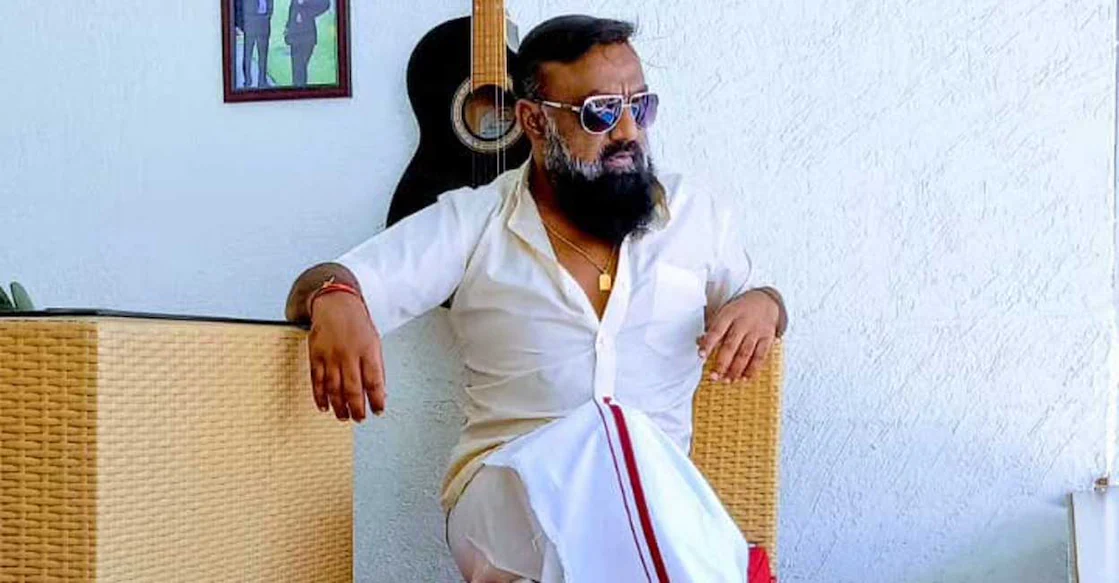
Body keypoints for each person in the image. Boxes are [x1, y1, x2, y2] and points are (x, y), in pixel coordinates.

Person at [285, 15, 788, 582]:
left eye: (640, 107)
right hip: (502, 498)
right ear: (533, 121)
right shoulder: (474, 221)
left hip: (655, 505)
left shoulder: (694, 214)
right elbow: (323, 280)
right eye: (600, 112)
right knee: (604, 430)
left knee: (619, 447)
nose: (628, 130)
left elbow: (757, 297)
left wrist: (766, 304)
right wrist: (335, 297)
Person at [285, 0, 331, 87]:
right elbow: (293, 8)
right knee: (297, 69)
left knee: (301, 67)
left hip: (307, 36)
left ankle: (300, 89)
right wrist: (288, 28)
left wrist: (306, 12)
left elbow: (326, 4)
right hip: (295, 35)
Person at [241, 0, 274, 88]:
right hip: (250, 27)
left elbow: (270, 9)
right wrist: (242, 26)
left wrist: (267, 17)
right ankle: (247, 81)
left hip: (263, 27)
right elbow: (242, 9)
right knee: (248, 55)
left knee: (263, 56)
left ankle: (262, 81)